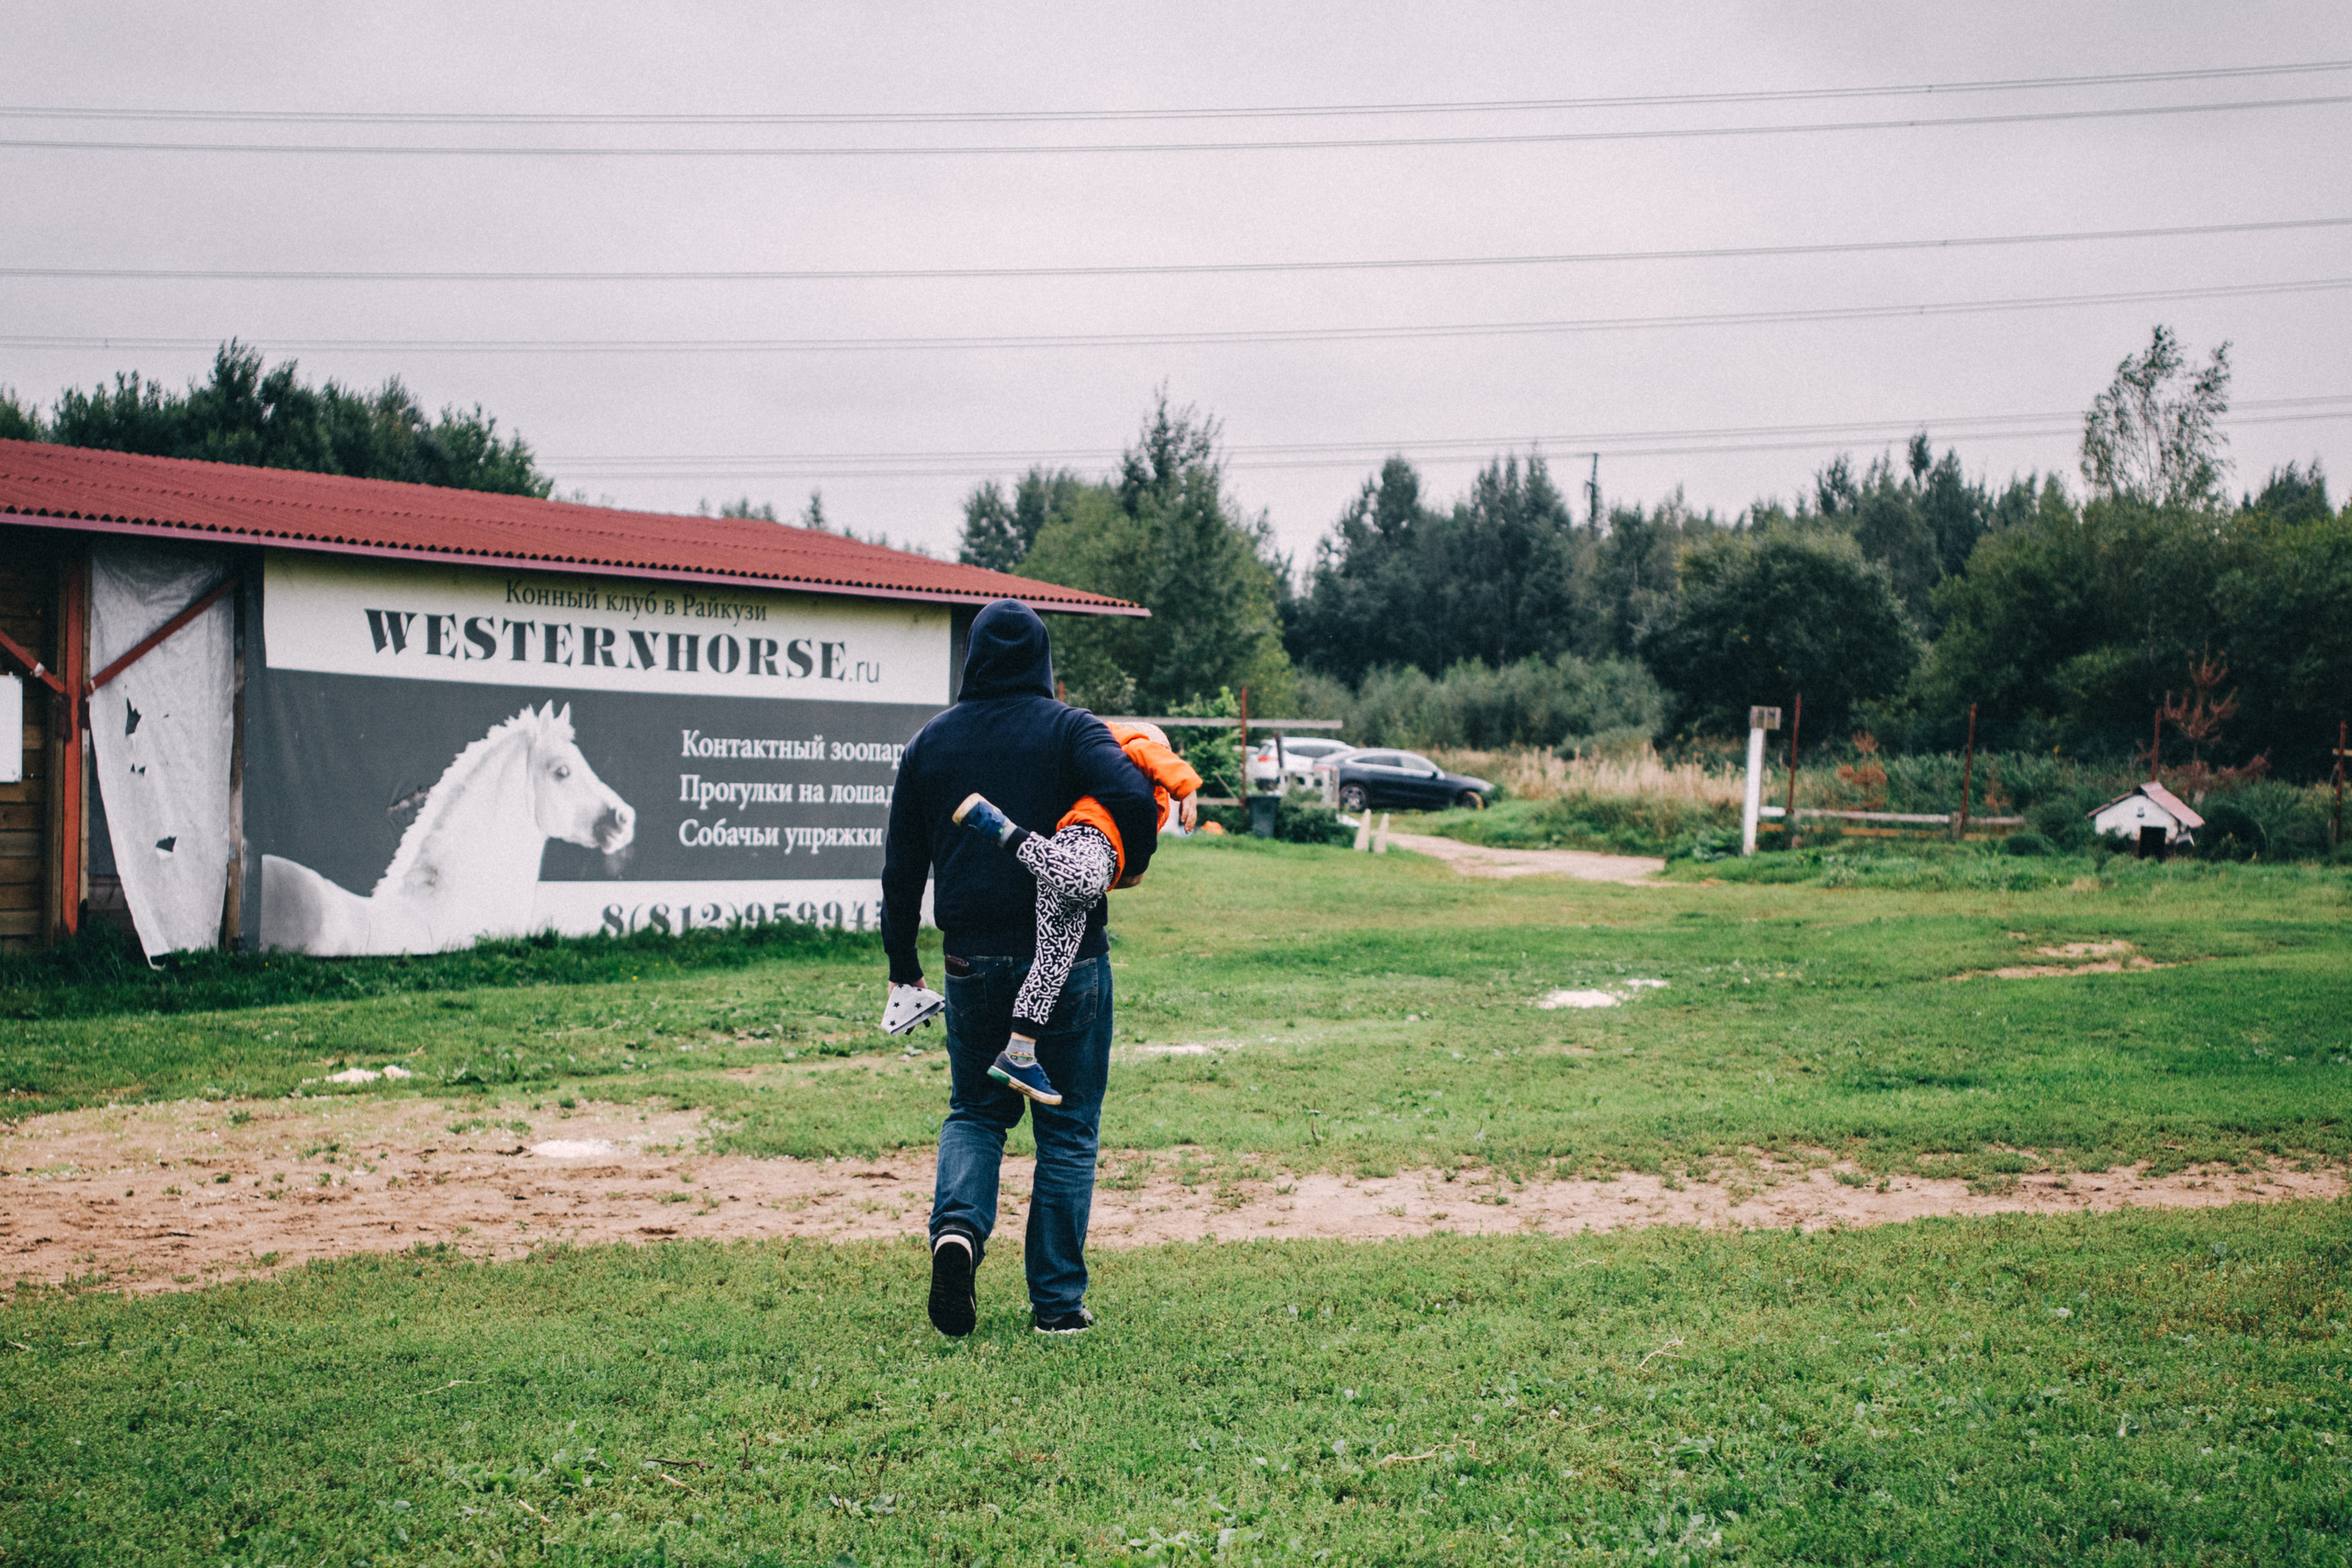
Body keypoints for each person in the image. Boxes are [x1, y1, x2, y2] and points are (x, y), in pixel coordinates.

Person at [880, 599, 1160, 1338]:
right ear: (1042, 659)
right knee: (1066, 1131)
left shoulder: (929, 745)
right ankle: (1058, 1305)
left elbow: (901, 869)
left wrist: (902, 966)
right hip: (1070, 963)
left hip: (970, 958)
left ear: (971, 658)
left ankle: (958, 1238)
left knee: (976, 1111)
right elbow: (1134, 793)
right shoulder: (1072, 728)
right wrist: (1122, 860)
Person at [949, 721, 1200, 1106]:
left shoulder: (1122, 773)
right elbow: (1158, 759)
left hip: (1075, 861)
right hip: (1087, 839)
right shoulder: (1135, 752)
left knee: (1053, 961)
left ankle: (1019, 1051)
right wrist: (1188, 791)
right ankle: (998, 827)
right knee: (1082, 880)